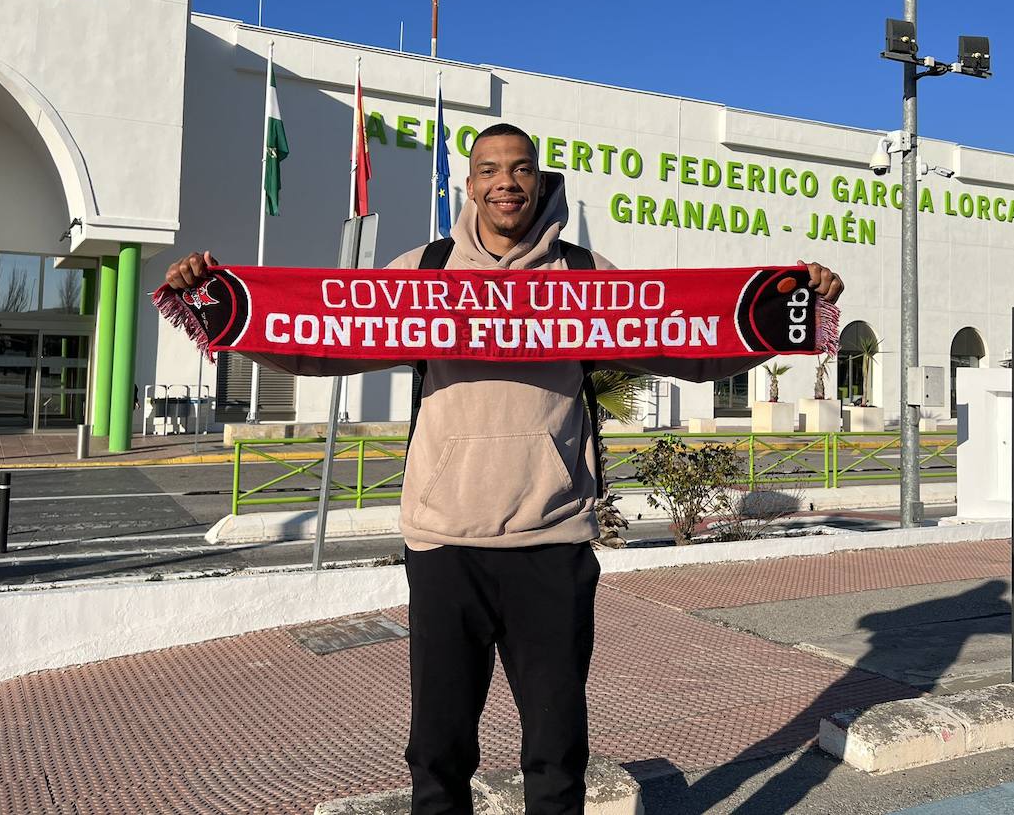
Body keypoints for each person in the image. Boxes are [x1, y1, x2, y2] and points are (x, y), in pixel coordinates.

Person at [165, 123, 844, 815]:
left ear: (539, 181)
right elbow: (321, 338)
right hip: (444, 543)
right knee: (438, 750)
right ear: (471, 185)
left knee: (556, 751)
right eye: (490, 169)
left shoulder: (587, 277)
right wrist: (219, 307)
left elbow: (691, 344)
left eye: (520, 169)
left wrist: (793, 311)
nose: (506, 183)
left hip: (552, 543)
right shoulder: (424, 272)